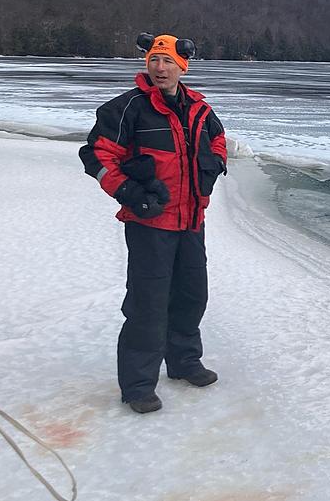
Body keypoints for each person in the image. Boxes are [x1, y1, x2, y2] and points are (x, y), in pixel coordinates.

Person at [79, 33, 227, 414]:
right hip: (150, 223)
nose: (160, 68)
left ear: (183, 67)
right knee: (148, 304)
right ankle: (138, 385)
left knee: (192, 296)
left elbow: (219, 140)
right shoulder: (128, 108)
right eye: (154, 61)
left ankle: (183, 363)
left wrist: (212, 169)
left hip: (192, 219)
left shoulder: (198, 108)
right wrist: (127, 189)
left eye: (168, 62)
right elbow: (96, 156)